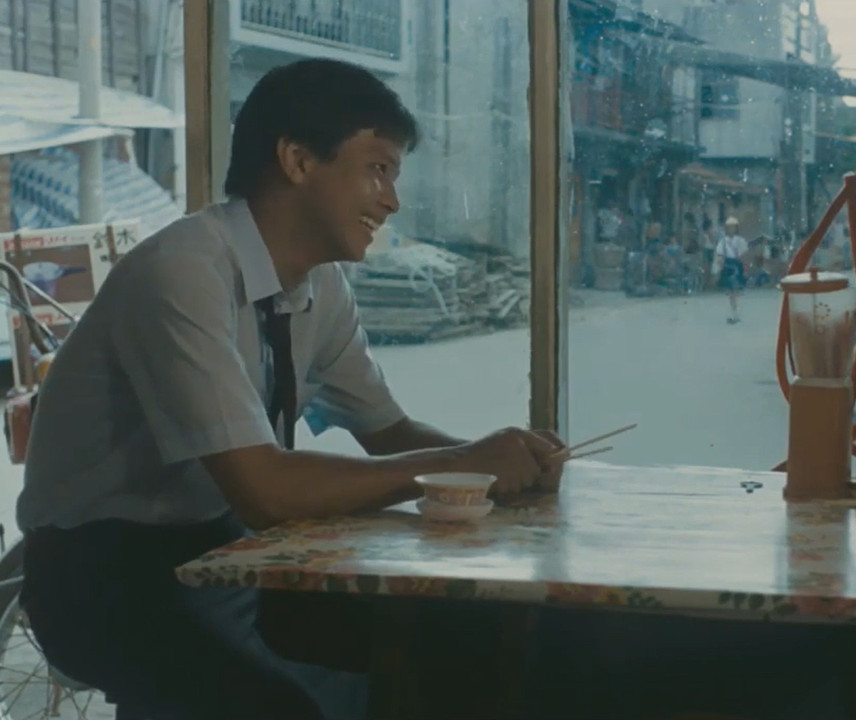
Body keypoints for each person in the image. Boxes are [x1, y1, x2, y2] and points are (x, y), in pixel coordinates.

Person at [17, 58, 565, 720]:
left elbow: (389, 433)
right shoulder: (182, 271)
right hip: (105, 574)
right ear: (298, 161)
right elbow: (265, 490)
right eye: (378, 169)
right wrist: (461, 462)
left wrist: (499, 466)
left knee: (448, 639)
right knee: (279, 709)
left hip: (228, 547)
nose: (391, 200)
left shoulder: (319, 286)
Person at [714, 217, 750, 323]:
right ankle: (733, 312)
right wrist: (719, 266)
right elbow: (720, 255)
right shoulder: (722, 241)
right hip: (727, 265)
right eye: (729, 227)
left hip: (737, 265)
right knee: (730, 291)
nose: (731, 229)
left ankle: (736, 312)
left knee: (736, 290)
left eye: (733, 227)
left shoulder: (741, 241)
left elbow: (744, 256)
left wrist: (746, 269)